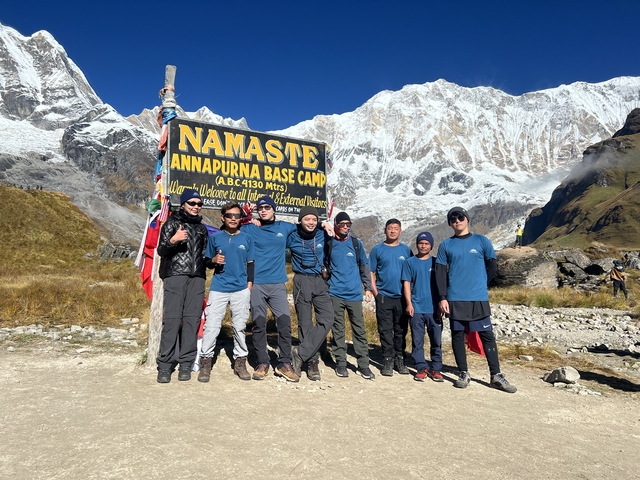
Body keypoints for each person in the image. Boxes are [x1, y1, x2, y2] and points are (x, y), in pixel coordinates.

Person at [435, 206, 517, 393]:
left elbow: (492, 265)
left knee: (487, 335)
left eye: (460, 217)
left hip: (478, 298)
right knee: (457, 335)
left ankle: (495, 375)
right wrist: (442, 297)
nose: (457, 220)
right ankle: (463, 372)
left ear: (467, 219)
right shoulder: (446, 245)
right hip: (455, 298)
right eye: (453, 218)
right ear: (449, 223)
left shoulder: (481, 241)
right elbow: (440, 272)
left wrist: (482, 283)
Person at [241, 196, 299, 382]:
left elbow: (307, 227)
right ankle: (262, 362)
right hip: (256, 283)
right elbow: (229, 227)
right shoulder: (250, 228)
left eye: (267, 207)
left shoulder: (284, 227)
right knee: (259, 324)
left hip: (277, 284)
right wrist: (245, 216)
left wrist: (325, 225)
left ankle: (284, 362)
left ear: (274, 209)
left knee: (284, 323)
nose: (264, 210)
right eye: (260, 208)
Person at [155, 189, 209, 383]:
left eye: (199, 204)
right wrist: (173, 240)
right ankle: (165, 364)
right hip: (175, 275)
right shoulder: (171, 223)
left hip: (197, 278)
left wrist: (214, 260)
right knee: (171, 320)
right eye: (192, 203)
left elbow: (204, 255)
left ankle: (186, 363)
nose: (196, 207)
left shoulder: (202, 229)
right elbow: (161, 249)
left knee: (192, 321)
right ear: (183, 204)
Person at [198, 202, 255, 383]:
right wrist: (214, 260)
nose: (233, 218)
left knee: (239, 327)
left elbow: (251, 263)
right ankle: (205, 362)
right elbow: (207, 261)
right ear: (223, 217)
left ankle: (240, 361)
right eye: (229, 215)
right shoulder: (215, 238)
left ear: (240, 219)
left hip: (240, 289)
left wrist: (249, 285)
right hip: (219, 287)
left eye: (236, 216)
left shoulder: (247, 238)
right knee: (212, 326)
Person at [326, 212, 376, 380]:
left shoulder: (356, 244)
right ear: (336, 224)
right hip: (334, 293)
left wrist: (368, 288)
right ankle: (341, 363)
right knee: (338, 330)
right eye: (342, 224)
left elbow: (364, 265)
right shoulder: (329, 243)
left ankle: (363, 365)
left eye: (349, 224)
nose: (346, 227)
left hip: (354, 293)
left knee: (359, 330)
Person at [288, 207, 335, 381]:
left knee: (327, 318)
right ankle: (311, 362)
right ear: (301, 220)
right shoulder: (292, 235)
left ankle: (300, 353)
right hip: (301, 279)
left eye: (314, 219)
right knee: (305, 322)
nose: (310, 222)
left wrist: (324, 224)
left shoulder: (323, 233)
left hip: (319, 280)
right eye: (307, 219)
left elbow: (341, 232)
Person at [369, 219, 412, 376]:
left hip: (402, 297)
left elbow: (411, 272)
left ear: (400, 231)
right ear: (385, 230)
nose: (393, 231)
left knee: (401, 330)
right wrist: (375, 292)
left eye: (396, 228)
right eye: (390, 228)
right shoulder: (377, 249)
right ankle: (387, 360)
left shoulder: (406, 250)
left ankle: (399, 359)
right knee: (385, 330)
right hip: (383, 296)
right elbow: (370, 271)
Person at [401, 232, 443, 382]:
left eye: (426, 243)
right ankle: (421, 366)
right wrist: (409, 303)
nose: (423, 246)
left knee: (436, 340)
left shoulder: (437, 262)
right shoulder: (410, 262)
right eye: (421, 243)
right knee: (417, 340)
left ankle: (436, 368)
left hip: (434, 308)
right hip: (417, 308)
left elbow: (443, 284)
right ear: (417, 244)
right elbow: (406, 283)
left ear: (431, 245)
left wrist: (442, 303)